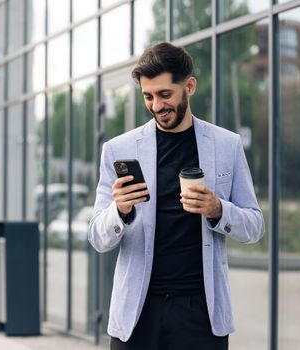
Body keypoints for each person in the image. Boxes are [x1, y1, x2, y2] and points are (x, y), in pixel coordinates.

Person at [88, 42, 265, 350]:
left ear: (190, 86)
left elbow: (254, 226)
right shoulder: (118, 150)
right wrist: (120, 211)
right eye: (148, 96)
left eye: (165, 94)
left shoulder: (227, 145)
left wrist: (218, 209)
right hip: (137, 313)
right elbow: (97, 237)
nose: (156, 105)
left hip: (201, 314)